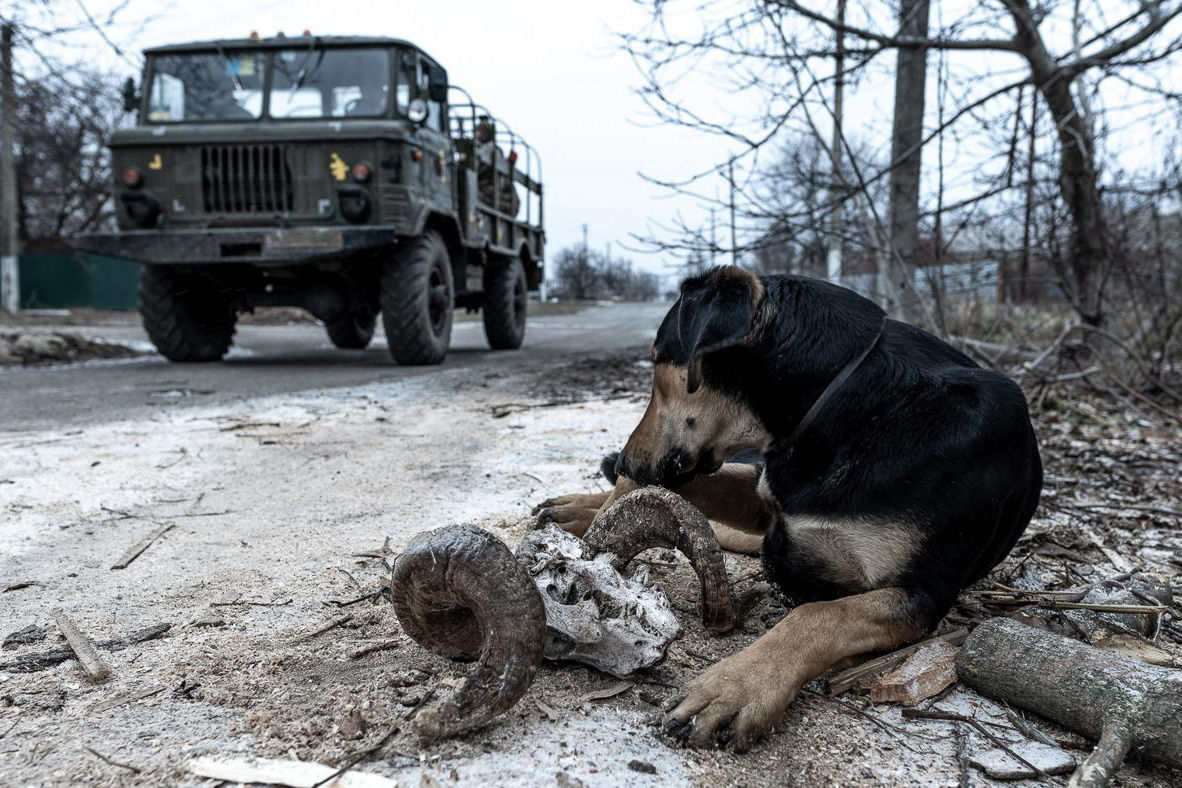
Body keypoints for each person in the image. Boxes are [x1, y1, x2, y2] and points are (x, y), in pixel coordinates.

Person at [474, 116, 520, 215]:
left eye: (481, 132)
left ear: (486, 134)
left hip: (490, 191)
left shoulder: (490, 150)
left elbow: (498, 179)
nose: (477, 135)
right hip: (489, 190)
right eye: (477, 132)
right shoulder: (482, 148)